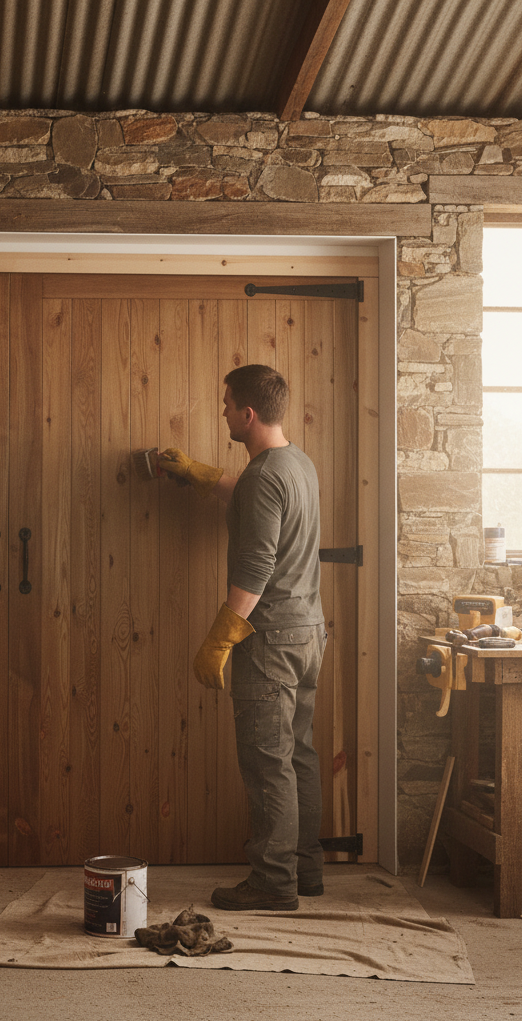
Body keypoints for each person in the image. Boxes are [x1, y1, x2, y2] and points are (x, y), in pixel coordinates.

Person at [157, 364, 326, 912]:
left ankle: (273, 883)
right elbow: (257, 501)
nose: (223, 412)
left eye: (227, 405)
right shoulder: (297, 463)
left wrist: (219, 640)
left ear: (248, 414)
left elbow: (255, 568)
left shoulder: (262, 477)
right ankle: (304, 869)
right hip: (307, 632)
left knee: (267, 761)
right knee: (298, 754)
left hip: (270, 636)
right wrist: (201, 474)